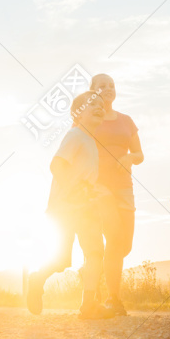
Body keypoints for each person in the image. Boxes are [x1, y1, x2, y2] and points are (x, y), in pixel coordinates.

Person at [26, 90, 115, 320]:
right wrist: (74, 190)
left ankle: (88, 305)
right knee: (62, 259)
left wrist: (94, 191)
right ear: (77, 114)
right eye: (90, 104)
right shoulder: (75, 135)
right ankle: (37, 279)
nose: (99, 106)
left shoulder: (91, 141)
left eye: (100, 104)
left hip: (86, 208)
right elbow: (56, 165)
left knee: (95, 251)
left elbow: (84, 176)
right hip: (64, 208)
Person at [88, 74, 144, 316]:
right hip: (98, 187)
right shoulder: (87, 119)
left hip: (124, 186)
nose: (108, 89)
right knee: (112, 238)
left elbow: (139, 154)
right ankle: (113, 298)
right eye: (102, 86)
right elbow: (75, 146)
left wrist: (129, 158)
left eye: (111, 85)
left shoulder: (126, 120)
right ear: (92, 91)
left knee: (124, 244)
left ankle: (92, 273)